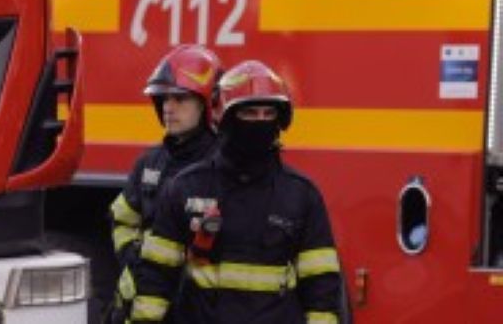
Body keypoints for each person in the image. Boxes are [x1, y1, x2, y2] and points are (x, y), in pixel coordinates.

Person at [130, 60, 342, 323]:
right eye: (249, 113)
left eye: (268, 114)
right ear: (226, 119)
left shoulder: (301, 195)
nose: (260, 122)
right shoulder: (187, 187)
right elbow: (155, 281)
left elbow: (322, 292)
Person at [106, 44, 222, 323]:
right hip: (143, 303)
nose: (169, 108)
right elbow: (122, 218)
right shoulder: (150, 163)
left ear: (208, 103)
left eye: (180, 98)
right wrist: (133, 257)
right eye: (163, 99)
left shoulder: (223, 167)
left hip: (198, 309)